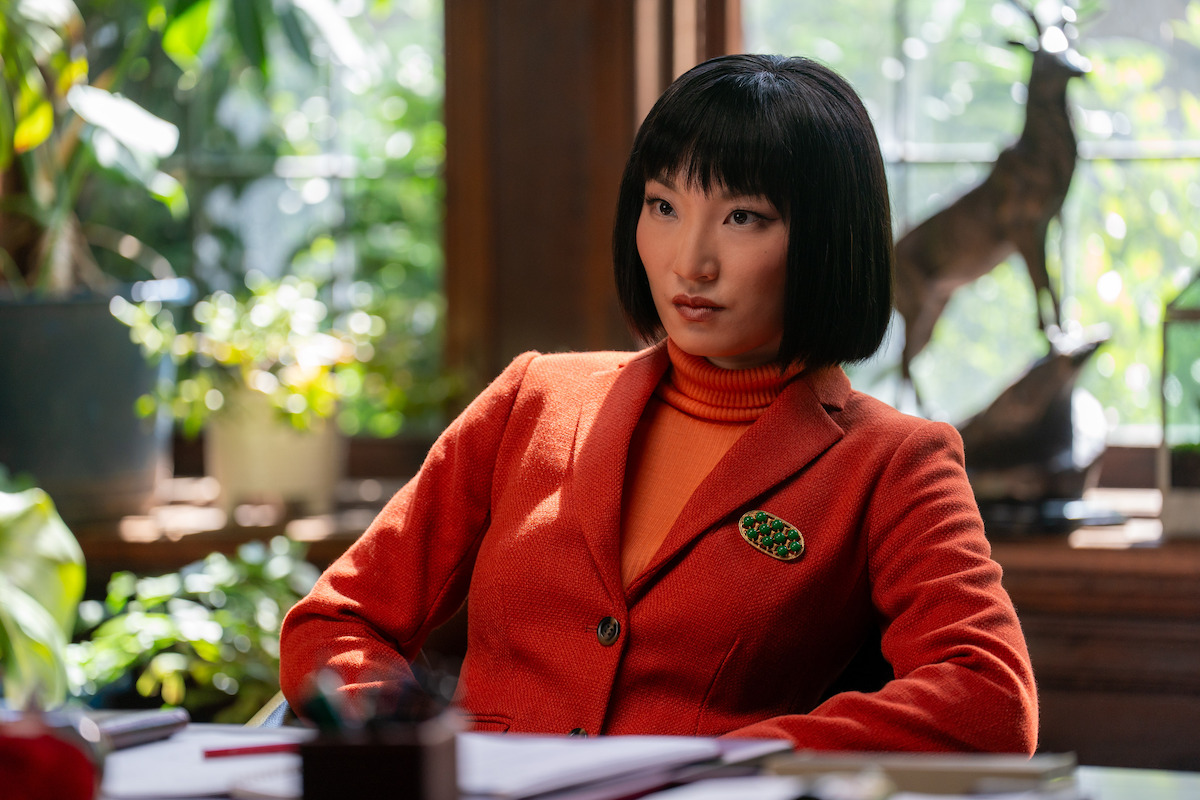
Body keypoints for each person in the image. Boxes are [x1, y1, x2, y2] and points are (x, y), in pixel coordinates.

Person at [279, 53, 1038, 754]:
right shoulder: (533, 397)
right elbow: (336, 621)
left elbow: (989, 698)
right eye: (663, 205)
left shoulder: (895, 462)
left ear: (828, 240)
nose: (690, 261)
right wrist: (405, 746)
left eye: (743, 217)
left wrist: (731, 765)